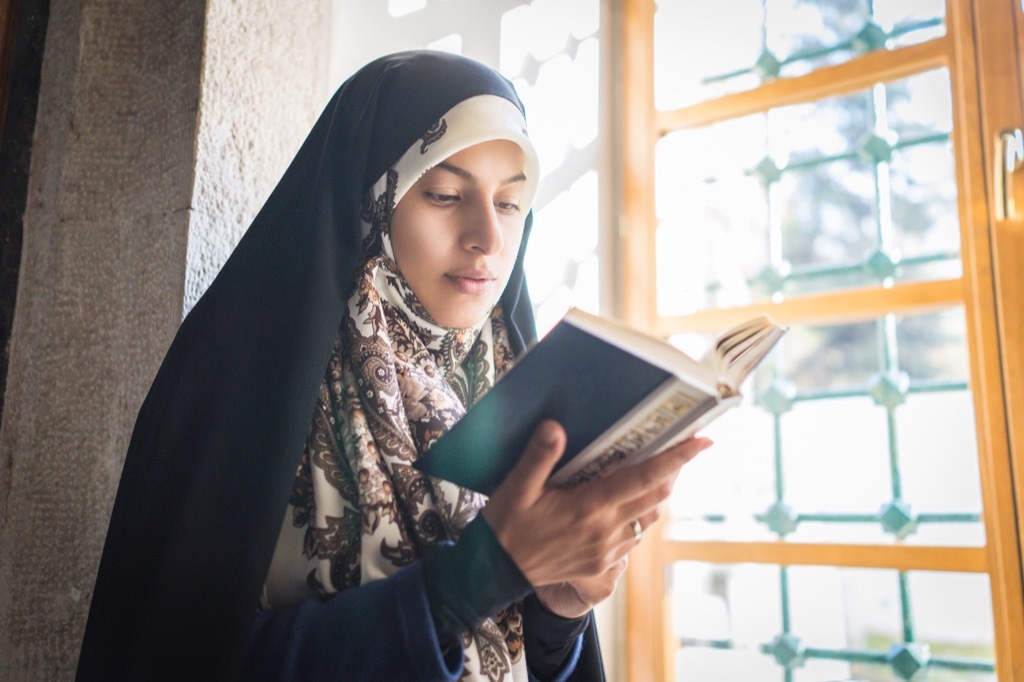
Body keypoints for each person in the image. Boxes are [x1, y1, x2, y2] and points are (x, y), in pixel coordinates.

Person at [75, 51, 711, 681]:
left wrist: (558, 615)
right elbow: (173, 656)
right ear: (371, 199)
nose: (488, 238)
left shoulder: (509, 391)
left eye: (511, 204)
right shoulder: (245, 385)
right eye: (443, 193)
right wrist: (473, 579)